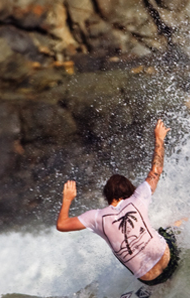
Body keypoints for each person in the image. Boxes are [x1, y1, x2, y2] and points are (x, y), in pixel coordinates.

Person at [56, 119, 179, 286]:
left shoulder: (96, 218)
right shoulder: (138, 197)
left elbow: (62, 225)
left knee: (121, 251)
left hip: (149, 280)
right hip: (170, 262)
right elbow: (156, 170)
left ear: (107, 195)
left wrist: (67, 199)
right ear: (129, 190)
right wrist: (159, 138)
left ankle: (163, 282)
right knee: (171, 228)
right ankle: (183, 228)